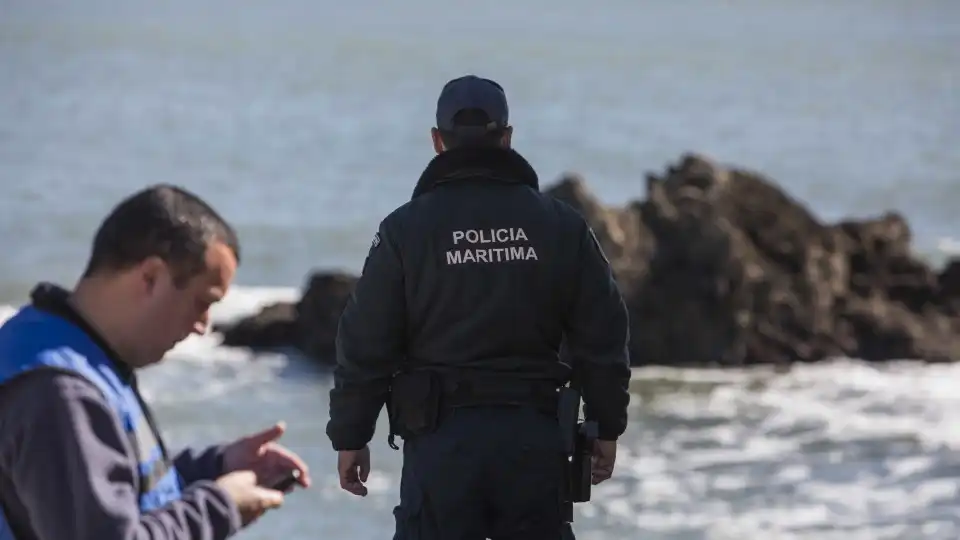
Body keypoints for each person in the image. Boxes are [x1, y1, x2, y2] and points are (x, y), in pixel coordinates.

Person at [326, 75, 632, 539]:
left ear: (437, 142)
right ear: (506, 138)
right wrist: (606, 424)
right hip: (534, 443)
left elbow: (365, 340)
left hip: (440, 447)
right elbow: (604, 331)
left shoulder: (404, 231)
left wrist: (352, 435)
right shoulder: (560, 226)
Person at [0, 185, 311, 540]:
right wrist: (222, 505)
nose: (202, 325)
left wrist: (216, 467)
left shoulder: (56, 341)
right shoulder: (60, 394)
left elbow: (114, 487)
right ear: (151, 277)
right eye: (201, 302)